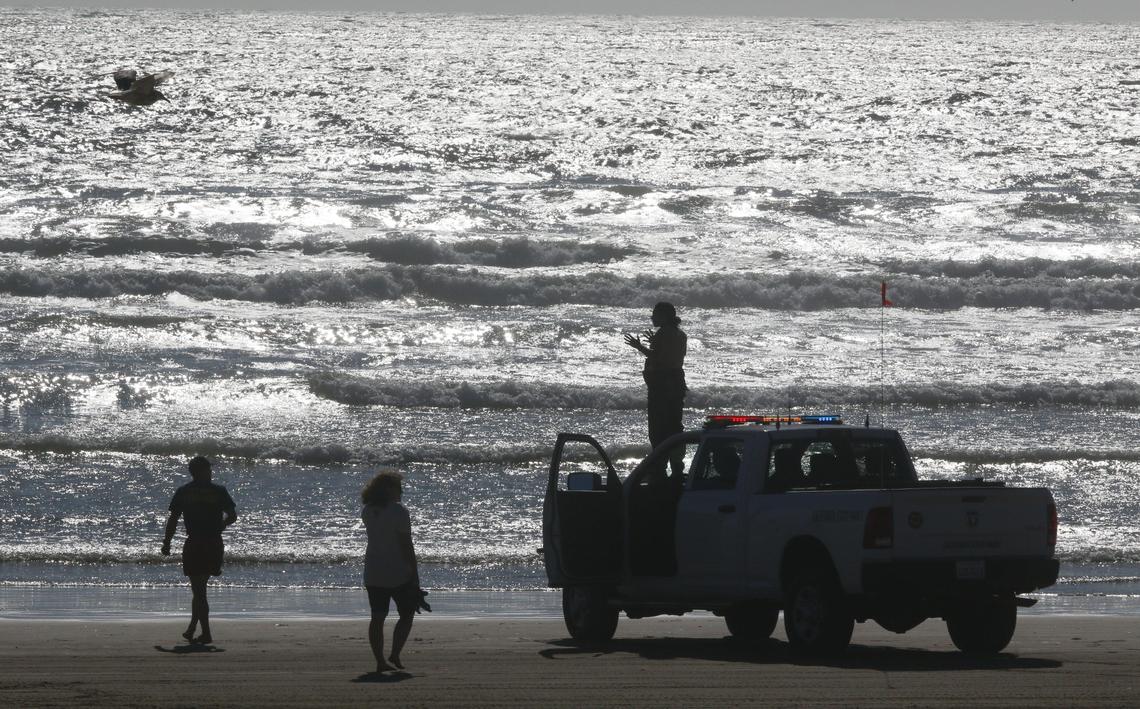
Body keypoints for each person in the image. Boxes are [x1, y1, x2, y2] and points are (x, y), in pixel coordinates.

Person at [161, 456, 237, 645]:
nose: (211, 472)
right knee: (199, 590)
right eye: (208, 470)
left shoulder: (184, 492)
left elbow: (173, 519)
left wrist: (167, 542)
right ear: (201, 471)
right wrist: (221, 524)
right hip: (214, 543)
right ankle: (193, 628)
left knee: (199, 590)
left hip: (195, 543)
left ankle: (206, 633)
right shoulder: (218, 491)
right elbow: (233, 516)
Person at [361, 470, 423, 673]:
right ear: (389, 489)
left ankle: (380, 661)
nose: (402, 491)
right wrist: (414, 574)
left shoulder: (368, 510)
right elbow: (406, 545)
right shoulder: (399, 511)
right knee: (407, 614)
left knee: (377, 617)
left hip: (373, 570)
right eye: (399, 487)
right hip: (397, 572)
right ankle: (395, 653)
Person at [625, 301, 688, 473]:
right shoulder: (680, 334)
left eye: (656, 314)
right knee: (674, 425)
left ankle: (660, 466)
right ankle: (677, 466)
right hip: (677, 383)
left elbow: (661, 359)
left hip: (662, 385)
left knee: (657, 428)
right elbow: (674, 356)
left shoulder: (663, 333)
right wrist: (655, 343)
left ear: (665, 316)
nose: (652, 317)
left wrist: (639, 346)